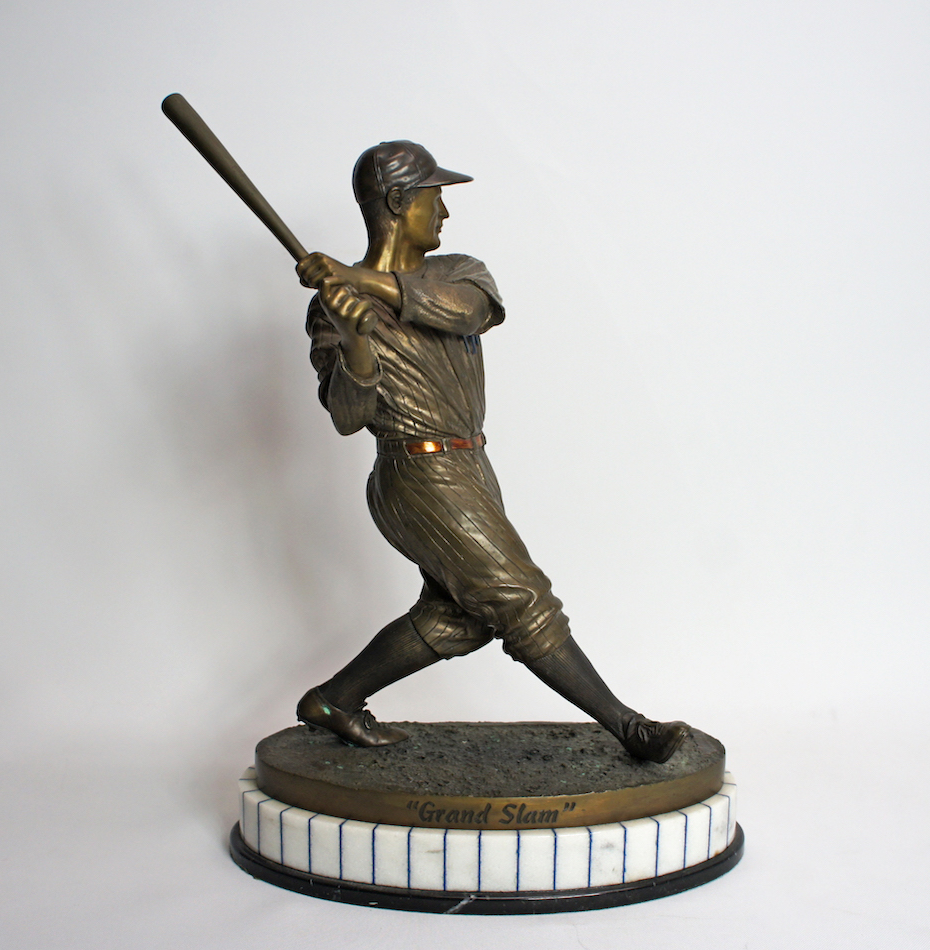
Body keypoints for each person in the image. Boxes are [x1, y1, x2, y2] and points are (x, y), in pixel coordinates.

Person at [294, 141, 687, 763]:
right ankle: (629, 727)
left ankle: (333, 701)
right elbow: (348, 417)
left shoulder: (458, 272)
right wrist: (356, 344)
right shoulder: (332, 308)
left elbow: (467, 312)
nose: (444, 211)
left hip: (470, 464)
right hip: (415, 473)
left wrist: (361, 280)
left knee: (461, 617)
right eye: (434, 196)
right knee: (522, 599)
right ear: (397, 201)